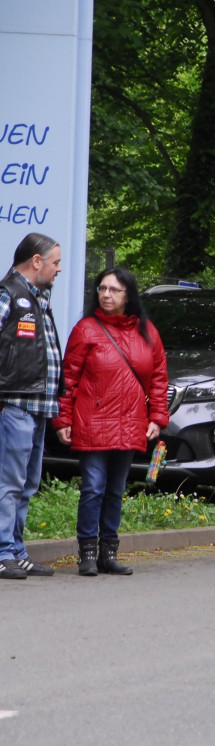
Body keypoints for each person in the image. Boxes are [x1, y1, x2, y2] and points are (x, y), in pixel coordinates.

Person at [54, 268, 169, 576]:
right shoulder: (86, 330)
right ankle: (88, 553)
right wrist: (63, 419)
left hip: (131, 421)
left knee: (116, 489)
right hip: (92, 420)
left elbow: (159, 378)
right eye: (102, 289)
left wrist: (158, 417)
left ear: (128, 295)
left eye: (113, 290)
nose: (105, 295)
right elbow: (68, 379)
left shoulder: (148, 332)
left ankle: (109, 553)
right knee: (93, 487)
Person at [0, 232, 65, 579]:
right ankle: (1, 552)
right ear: (36, 261)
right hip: (14, 405)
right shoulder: (7, 293)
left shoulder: (39, 299)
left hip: (39, 407)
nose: (58, 270)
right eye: (55, 262)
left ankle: (16, 549)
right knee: (8, 483)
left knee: (27, 484)